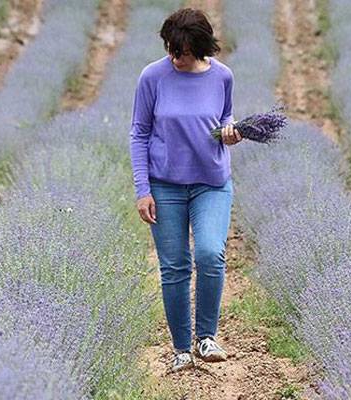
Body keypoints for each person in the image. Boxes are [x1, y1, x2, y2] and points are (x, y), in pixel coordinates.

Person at [128, 7, 242, 373]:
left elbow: (224, 116)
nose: (175, 57)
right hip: (165, 186)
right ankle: (181, 350)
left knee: (210, 254)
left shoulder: (222, 77)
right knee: (174, 267)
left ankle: (206, 337)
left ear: (202, 48)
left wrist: (231, 131)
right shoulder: (152, 77)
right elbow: (139, 133)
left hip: (211, 183)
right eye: (170, 49)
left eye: (183, 51)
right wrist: (143, 189)